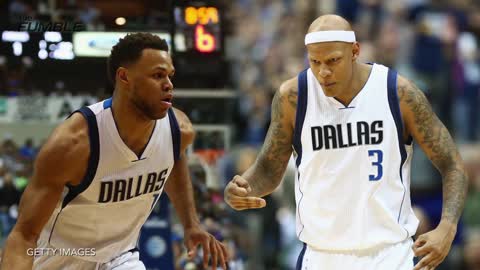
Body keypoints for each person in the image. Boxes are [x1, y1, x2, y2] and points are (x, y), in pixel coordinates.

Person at [224, 14, 468, 270]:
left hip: (389, 255)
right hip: (320, 256)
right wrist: (245, 187)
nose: (323, 72)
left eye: (333, 61)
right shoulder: (293, 98)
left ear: (355, 51)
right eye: (315, 62)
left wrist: (447, 228)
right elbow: (268, 169)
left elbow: (452, 163)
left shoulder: (397, 92)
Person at [0, 33, 228, 270]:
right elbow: (23, 236)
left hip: (120, 258)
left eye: (170, 76)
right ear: (124, 77)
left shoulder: (178, 130)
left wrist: (191, 224)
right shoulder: (73, 143)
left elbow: (173, 157)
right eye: (158, 75)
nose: (169, 84)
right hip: (57, 259)